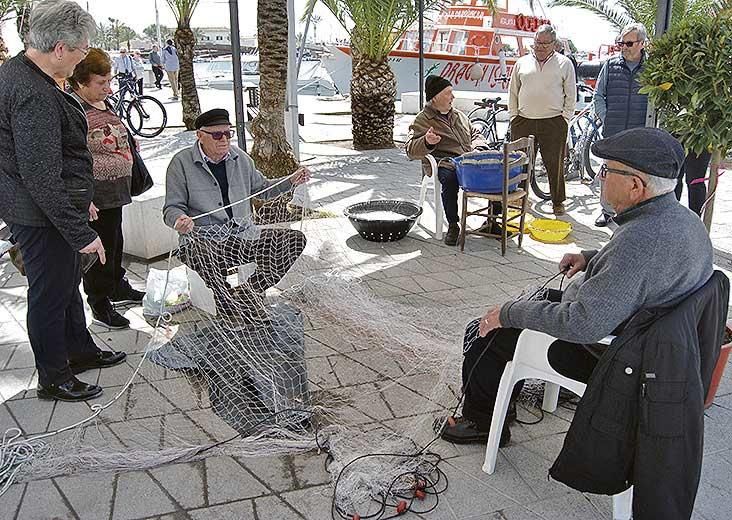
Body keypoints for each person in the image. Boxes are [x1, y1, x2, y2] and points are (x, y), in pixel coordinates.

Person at [438, 128, 713, 447]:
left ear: (635, 185)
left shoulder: (640, 240)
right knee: (532, 302)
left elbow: (583, 324)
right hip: (642, 338)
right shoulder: (682, 219)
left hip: (613, 357)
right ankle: (500, 393)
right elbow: (643, 271)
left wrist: (509, 314)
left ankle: (482, 422)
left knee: (484, 331)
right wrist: (590, 257)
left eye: (608, 170)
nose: (600, 177)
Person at [0, 0, 126, 402]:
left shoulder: (26, 74)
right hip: (39, 215)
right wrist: (77, 231)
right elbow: (38, 173)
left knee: (66, 285)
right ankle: (54, 377)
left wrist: (80, 201)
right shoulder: (31, 91)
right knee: (51, 295)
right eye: (80, 51)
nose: (81, 59)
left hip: (51, 207)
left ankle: (79, 351)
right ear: (59, 48)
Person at [163, 109, 310, 324]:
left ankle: (248, 292)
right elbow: (171, 208)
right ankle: (226, 304)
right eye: (216, 135)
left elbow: (263, 189)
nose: (224, 139)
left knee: (294, 240)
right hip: (204, 240)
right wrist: (179, 220)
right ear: (199, 135)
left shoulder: (240, 158)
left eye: (228, 134)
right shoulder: (181, 163)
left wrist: (291, 181)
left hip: (244, 236)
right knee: (201, 254)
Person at [69, 48, 146, 330]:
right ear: (81, 82)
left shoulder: (105, 103)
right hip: (96, 194)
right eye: (101, 83)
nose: (108, 88)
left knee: (115, 243)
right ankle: (100, 304)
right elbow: (70, 156)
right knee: (100, 250)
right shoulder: (73, 108)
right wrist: (83, 197)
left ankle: (117, 286)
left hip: (117, 189)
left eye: (109, 81)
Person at [405, 75, 487, 246]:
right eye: (448, 93)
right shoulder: (423, 119)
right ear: (435, 97)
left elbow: (476, 134)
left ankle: (492, 222)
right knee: (449, 179)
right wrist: (426, 142)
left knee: (497, 171)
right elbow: (410, 149)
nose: (453, 97)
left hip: (468, 160)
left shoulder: (459, 115)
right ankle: (453, 224)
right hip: (444, 162)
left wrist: (479, 147)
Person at [508, 24, 576, 215]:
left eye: (545, 44)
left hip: (553, 121)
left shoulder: (565, 64)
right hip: (523, 120)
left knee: (554, 164)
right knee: (520, 163)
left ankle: (557, 201)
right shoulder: (521, 62)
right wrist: (514, 116)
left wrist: (565, 118)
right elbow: (513, 91)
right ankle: (519, 199)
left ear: (554, 44)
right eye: (538, 42)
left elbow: (571, 94)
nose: (540, 47)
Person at [592, 23, 649, 227]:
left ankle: (635, 214)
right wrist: (606, 118)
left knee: (638, 175)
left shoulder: (652, 68)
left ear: (642, 44)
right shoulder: (610, 65)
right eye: (621, 43)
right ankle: (606, 211)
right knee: (609, 172)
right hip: (614, 131)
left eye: (629, 43)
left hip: (640, 132)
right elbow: (598, 95)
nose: (623, 47)